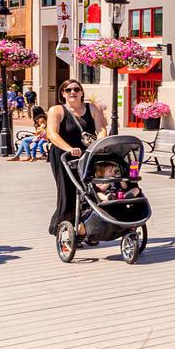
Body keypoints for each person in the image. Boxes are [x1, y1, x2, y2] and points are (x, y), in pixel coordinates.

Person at [45, 81, 108, 236]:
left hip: (88, 154)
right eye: (68, 90)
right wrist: (69, 149)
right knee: (67, 190)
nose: (73, 92)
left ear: (81, 92)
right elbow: (52, 134)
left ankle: (87, 224)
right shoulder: (57, 110)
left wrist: (97, 146)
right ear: (63, 93)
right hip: (63, 155)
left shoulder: (93, 108)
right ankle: (63, 225)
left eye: (76, 89)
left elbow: (101, 129)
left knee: (88, 188)